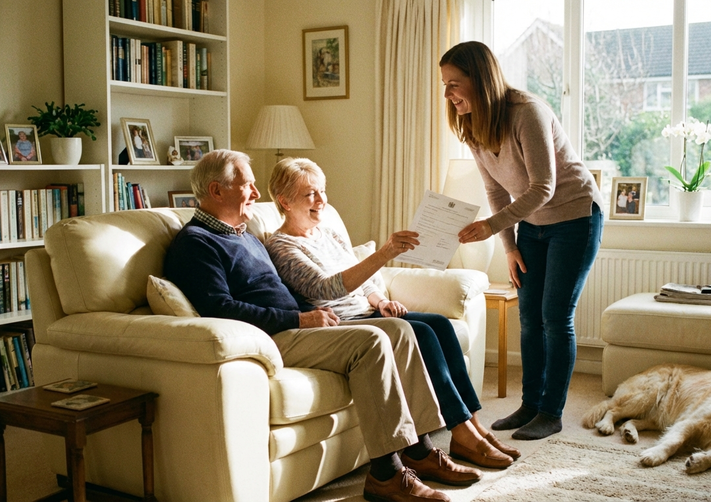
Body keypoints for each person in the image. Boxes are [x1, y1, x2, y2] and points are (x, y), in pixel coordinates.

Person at [164, 150, 478, 502]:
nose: (256, 193)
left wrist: (312, 314)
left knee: (402, 331)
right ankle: (386, 475)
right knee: (372, 342)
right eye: (248, 185)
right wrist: (300, 318)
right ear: (216, 191)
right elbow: (220, 309)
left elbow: (279, 292)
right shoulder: (196, 243)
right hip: (269, 338)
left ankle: (419, 451)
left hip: (296, 325)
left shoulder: (244, 235)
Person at [264, 157, 520, 471]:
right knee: (421, 332)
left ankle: (474, 427)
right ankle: (462, 432)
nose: (321, 200)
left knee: (439, 324)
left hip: (369, 313)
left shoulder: (327, 233)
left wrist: (380, 301)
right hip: (342, 324)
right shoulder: (281, 246)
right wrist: (385, 253)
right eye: (310, 194)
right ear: (285, 202)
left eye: (322, 191)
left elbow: (364, 280)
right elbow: (326, 288)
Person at [440, 41, 604, 441]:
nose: (447, 94)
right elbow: (496, 190)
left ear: (481, 79)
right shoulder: (473, 125)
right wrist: (510, 247)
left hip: (575, 216)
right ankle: (530, 405)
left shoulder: (526, 112)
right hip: (531, 224)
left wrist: (490, 227)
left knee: (555, 316)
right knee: (529, 316)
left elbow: (543, 186)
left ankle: (551, 412)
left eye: (454, 83)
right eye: (444, 84)